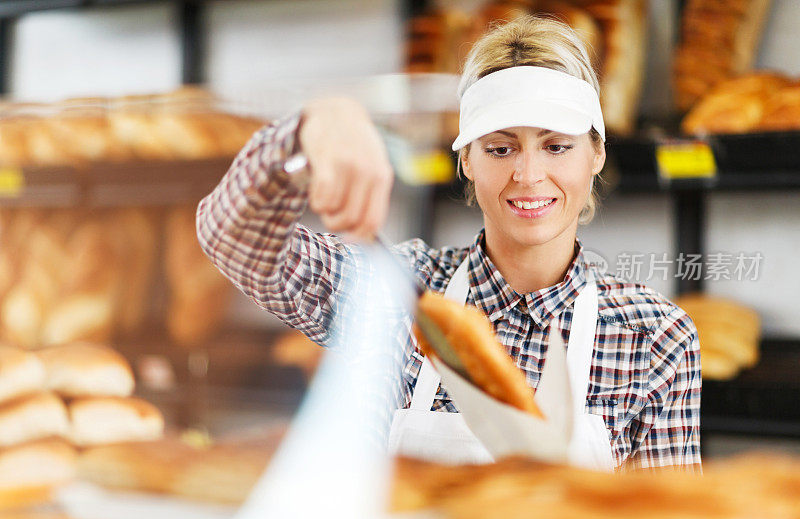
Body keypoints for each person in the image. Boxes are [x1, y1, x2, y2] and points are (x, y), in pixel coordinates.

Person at [196, 15, 701, 471]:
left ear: (595, 154)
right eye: (500, 148)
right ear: (467, 161)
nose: (528, 175)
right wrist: (309, 128)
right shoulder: (394, 291)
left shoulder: (655, 337)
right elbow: (230, 237)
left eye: (556, 146)